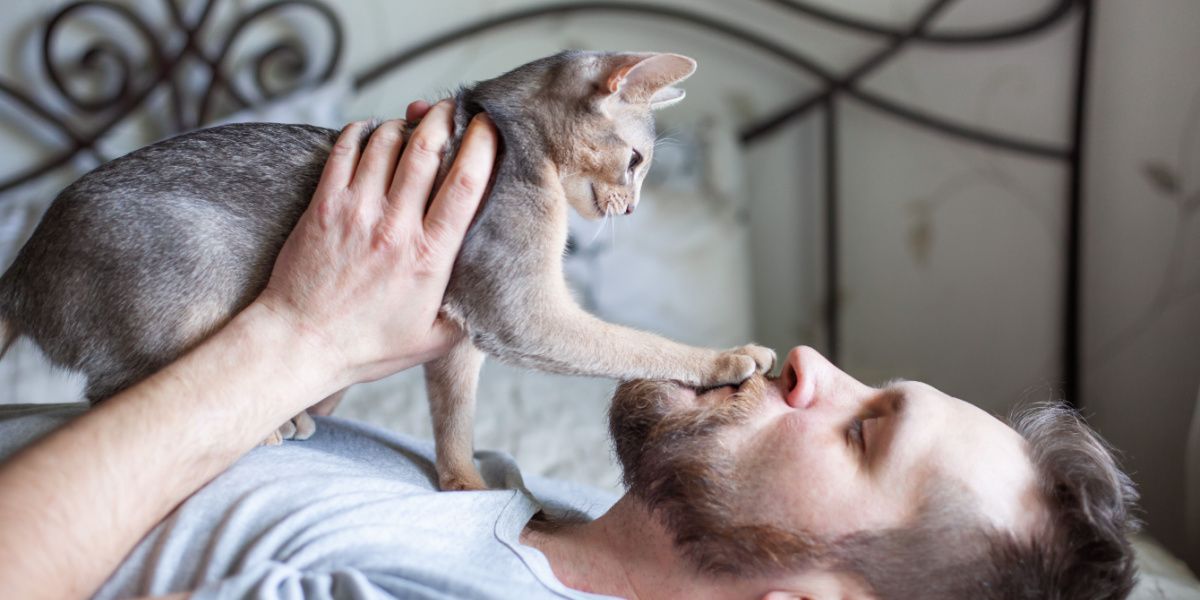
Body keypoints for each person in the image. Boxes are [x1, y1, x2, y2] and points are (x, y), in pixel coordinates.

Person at [0, 100, 1140, 600]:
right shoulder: (525, 505)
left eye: (861, 428)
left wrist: (296, 340)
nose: (805, 361)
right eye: (869, 386)